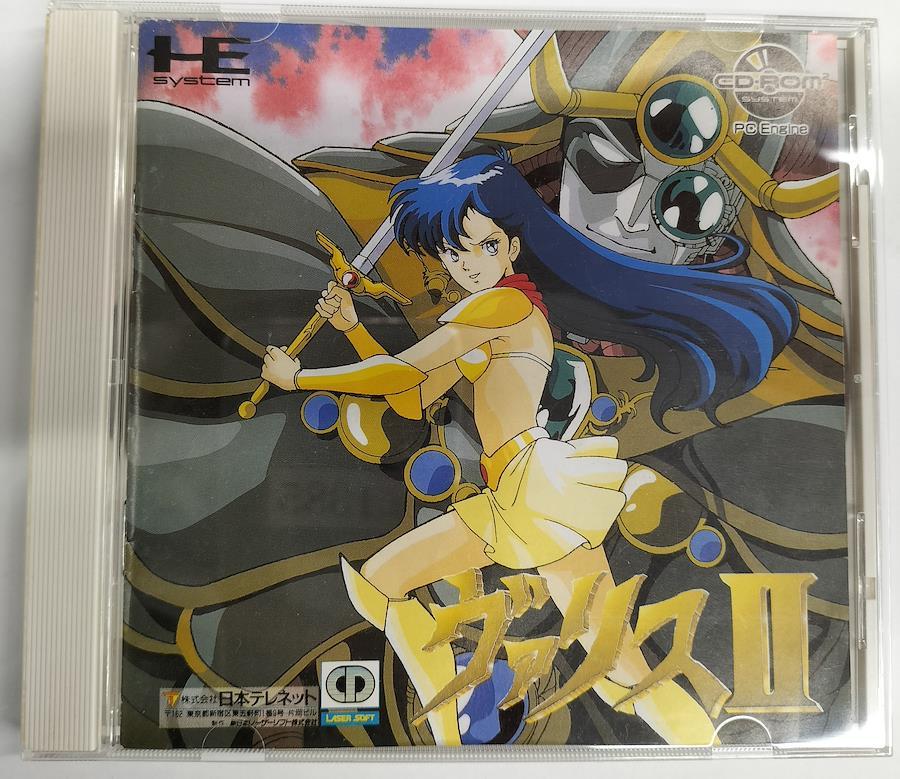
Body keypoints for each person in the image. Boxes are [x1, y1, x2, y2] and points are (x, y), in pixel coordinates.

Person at [260, 151, 798, 746]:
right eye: (454, 253)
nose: (468, 263)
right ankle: (701, 746)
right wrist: (352, 327)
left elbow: (404, 371)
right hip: (516, 492)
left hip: (528, 486)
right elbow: (413, 397)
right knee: (617, 666)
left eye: (485, 246)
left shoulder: (502, 306)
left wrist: (300, 377)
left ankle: (450, 735)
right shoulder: (483, 319)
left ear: (512, 248)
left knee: (383, 584)